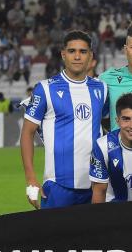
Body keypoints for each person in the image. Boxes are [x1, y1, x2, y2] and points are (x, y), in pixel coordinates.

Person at [21, 30, 108, 209]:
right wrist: (30, 177)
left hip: (95, 184)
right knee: (54, 237)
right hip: (57, 186)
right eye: (72, 51)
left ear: (90, 56)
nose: (77, 56)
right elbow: (27, 133)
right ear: (63, 54)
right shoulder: (45, 89)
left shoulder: (102, 89)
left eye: (83, 52)